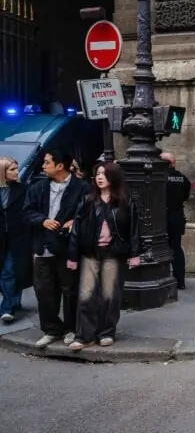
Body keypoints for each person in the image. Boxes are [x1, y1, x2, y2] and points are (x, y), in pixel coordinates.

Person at [66, 162, 141, 350]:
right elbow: (77, 229)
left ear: (113, 177)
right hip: (90, 253)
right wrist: (72, 256)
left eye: (104, 174)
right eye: (97, 173)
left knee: (110, 295)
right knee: (86, 295)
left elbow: (134, 229)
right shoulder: (88, 200)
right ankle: (84, 335)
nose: (99, 177)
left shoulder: (125, 201)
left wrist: (134, 254)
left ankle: (106, 332)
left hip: (114, 254)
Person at [22, 150, 90, 348]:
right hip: (42, 247)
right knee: (43, 290)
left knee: (70, 290)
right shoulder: (37, 188)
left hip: (67, 247)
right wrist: (42, 220)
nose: (43, 166)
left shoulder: (82, 188)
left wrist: (73, 222)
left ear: (60, 166)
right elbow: (26, 213)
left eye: (47, 162)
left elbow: (88, 213)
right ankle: (51, 329)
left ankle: (71, 328)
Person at [0, 157, 32, 323]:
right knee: (7, 271)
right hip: (1, 237)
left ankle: (7, 308)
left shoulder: (23, 189)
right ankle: (14, 301)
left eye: (16, 168)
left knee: (9, 270)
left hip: (18, 236)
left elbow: (28, 211)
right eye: (11, 169)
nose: (16, 172)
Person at [161, 152, 191, 289]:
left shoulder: (160, 177)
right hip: (177, 216)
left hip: (161, 217)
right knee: (176, 248)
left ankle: (162, 278)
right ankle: (180, 281)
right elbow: (185, 197)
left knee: (159, 247)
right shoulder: (183, 179)